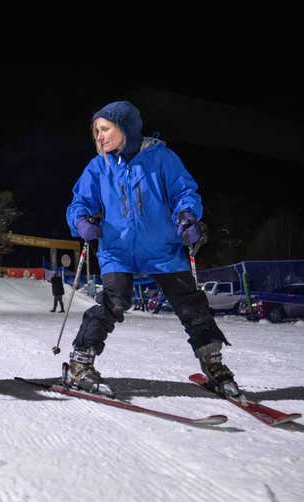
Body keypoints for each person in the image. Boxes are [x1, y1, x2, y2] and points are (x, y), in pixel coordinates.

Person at [63, 100, 241, 398]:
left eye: (105, 129)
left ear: (125, 128)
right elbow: (79, 202)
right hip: (117, 250)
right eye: (96, 131)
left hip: (162, 248)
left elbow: (184, 192)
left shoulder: (162, 159)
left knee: (191, 304)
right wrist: (80, 221)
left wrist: (186, 217)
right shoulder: (99, 167)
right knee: (113, 301)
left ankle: (213, 363)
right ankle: (81, 361)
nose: (99, 137)